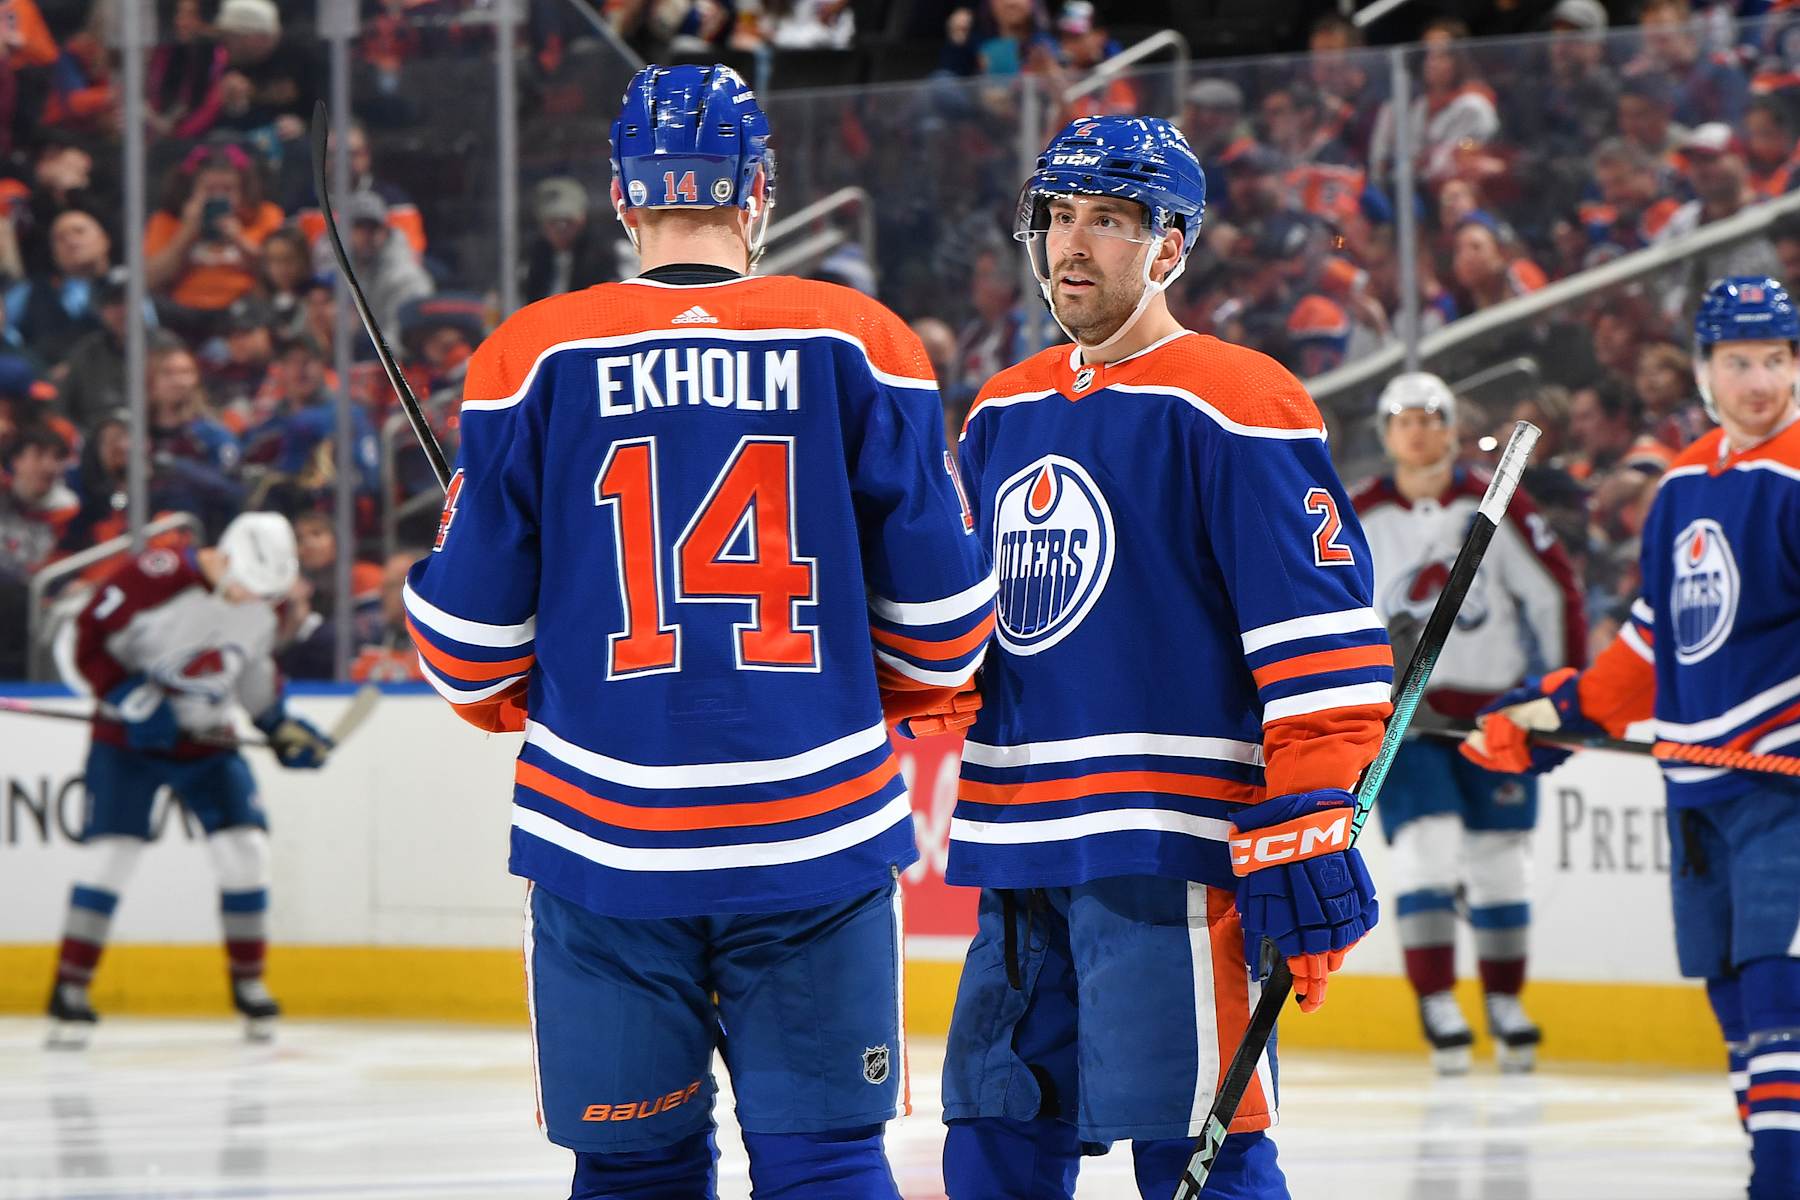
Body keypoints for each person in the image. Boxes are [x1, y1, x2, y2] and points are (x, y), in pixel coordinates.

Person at [403, 64, 993, 1200]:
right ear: (759, 190)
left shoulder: (530, 355)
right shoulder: (862, 339)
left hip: (604, 840)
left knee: (633, 1171)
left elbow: (468, 653)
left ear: (623, 198)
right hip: (815, 828)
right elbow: (944, 631)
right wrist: (853, 693)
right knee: (825, 1164)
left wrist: (529, 677)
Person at [940, 114, 1388, 1200]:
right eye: (1056, 216)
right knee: (991, 1144)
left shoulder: (1240, 399)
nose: (1071, 246)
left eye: (1107, 221)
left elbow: (1322, 647)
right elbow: (956, 635)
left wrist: (1309, 817)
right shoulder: (1002, 408)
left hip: (1173, 852)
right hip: (1019, 848)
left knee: (1202, 1154)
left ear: (1172, 247)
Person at [1465, 275, 1800, 1200]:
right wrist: (1549, 718)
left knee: (1782, 991)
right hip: (1697, 789)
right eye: (1739, 361)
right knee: (1733, 994)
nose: (1760, 381)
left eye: (1777, 359)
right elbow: (1654, 640)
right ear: (1704, 372)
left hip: (1785, 790)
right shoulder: (1687, 483)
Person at [1351, 372, 1585, 1075]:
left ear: (1452, 428)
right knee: (1430, 846)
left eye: (1431, 418)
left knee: (1501, 862)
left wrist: (1566, 692)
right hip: (1409, 720)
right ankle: (1437, 1001)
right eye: (1404, 420)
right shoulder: (1356, 512)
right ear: (1386, 434)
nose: (1418, 431)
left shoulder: (1497, 503)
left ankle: (1507, 1002)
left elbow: (1553, 593)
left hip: (1496, 714)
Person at [45, 512, 333, 1048]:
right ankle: (70, 988)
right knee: (111, 858)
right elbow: (83, 640)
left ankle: (249, 987)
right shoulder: (152, 577)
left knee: (246, 853)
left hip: (206, 741)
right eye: (248, 586)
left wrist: (279, 726)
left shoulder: (261, 608)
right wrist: (130, 695)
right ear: (225, 558)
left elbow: (251, 675)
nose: (253, 600)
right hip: (129, 742)